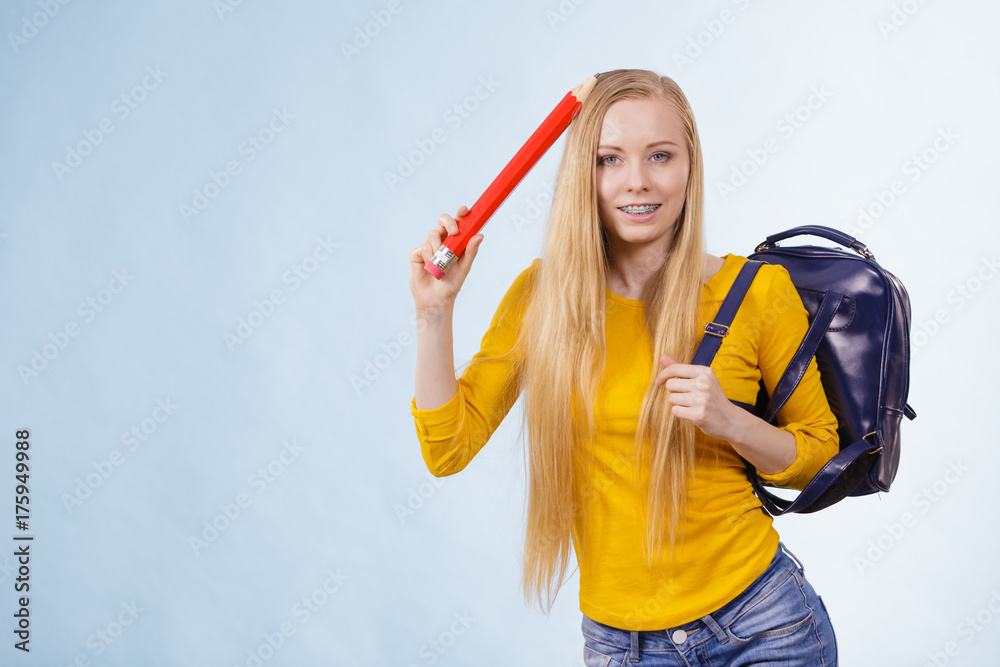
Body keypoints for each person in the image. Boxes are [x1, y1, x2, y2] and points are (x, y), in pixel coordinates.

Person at [408, 69, 840, 666]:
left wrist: (730, 421)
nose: (637, 182)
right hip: (624, 647)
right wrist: (435, 315)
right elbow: (447, 449)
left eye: (660, 156)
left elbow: (818, 455)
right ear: (584, 174)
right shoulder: (543, 297)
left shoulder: (759, 292)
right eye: (609, 159)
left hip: (765, 627)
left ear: (691, 166)